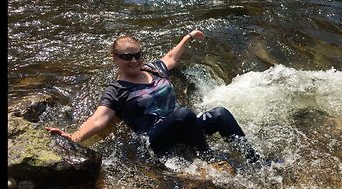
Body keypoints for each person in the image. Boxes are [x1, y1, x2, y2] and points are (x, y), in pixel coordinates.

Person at [46, 29, 259, 163]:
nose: (134, 61)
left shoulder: (154, 69)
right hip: (155, 138)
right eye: (126, 57)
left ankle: (254, 160)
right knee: (184, 114)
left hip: (182, 126)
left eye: (137, 55)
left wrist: (188, 37)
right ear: (115, 58)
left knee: (220, 113)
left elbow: (171, 58)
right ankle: (209, 158)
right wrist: (74, 138)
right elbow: (98, 119)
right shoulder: (117, 89)